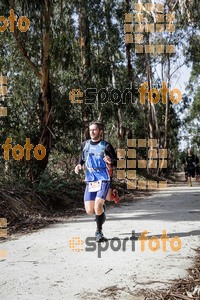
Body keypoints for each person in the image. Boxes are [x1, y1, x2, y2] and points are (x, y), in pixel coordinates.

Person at [74, 120, 118, 242]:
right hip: (90, 180)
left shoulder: (106, 146)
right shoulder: (85, 145)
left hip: (103, 178)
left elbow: (116, 161)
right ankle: (101, 212)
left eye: (94, 130)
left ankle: (99, 232)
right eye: (90, 130)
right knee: (89, 210)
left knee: (98, 205)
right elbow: (81, 160)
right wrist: (78, 166)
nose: (92, 132)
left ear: (100, 132)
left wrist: (110, 161)